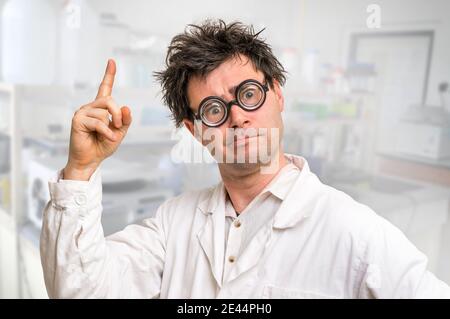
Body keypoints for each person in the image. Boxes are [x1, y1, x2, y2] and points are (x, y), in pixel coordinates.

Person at [40, 20, 450, 298]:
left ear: (278, 94)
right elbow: (80, 290)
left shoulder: (353, 231)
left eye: (249, 94)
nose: (237, 117)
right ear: (195, 131)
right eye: (214, 110)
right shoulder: (172, 225)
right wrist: (80, 171)